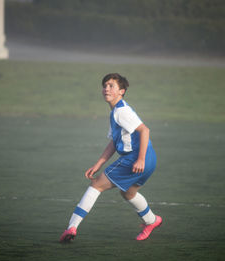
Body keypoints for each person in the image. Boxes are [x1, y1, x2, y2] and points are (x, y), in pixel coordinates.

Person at [59, 73, 162, 243]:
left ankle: (72, 227)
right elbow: (114, 142)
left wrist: (140, 159)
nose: (106, 88)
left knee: (96, 185)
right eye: (105, 85)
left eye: (111, 86)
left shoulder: (121, 111)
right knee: (128, 193)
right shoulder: (116, 111)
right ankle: (152, 221)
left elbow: (145, 130)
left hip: (137, 158)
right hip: (150, 159)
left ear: (121, 91)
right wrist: (98, 163)